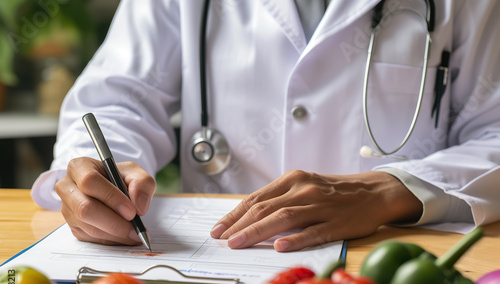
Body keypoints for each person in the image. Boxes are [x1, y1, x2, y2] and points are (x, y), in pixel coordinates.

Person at [31, 0, 500, 252]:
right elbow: (118, 97)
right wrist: (104, 173)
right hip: (215, 262)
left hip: (388, 264)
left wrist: (388, 191)